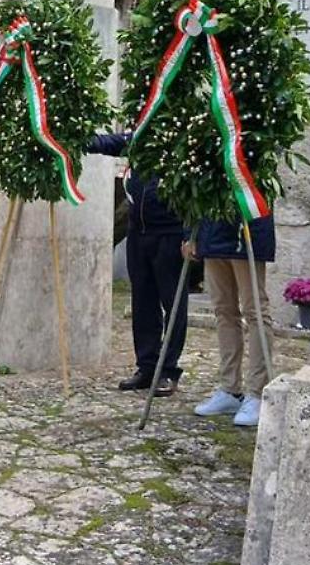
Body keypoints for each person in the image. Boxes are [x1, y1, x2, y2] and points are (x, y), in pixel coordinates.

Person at [89, 134, 189, 395]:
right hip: (139, 231)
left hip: (170, 232)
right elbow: (113, 143)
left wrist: (189, 234)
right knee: (142, 302)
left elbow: (194, 189)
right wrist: (80, 140)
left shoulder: (180, 133)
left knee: (173, 304)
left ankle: (168, 371)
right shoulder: (143, 130)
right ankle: (147, 366)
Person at [188, 212, 276, 428]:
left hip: (247, 230)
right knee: (223, 311)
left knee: (254, 311)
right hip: (211, 233)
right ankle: (229, 389)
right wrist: (190, 235)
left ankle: (256, 392)